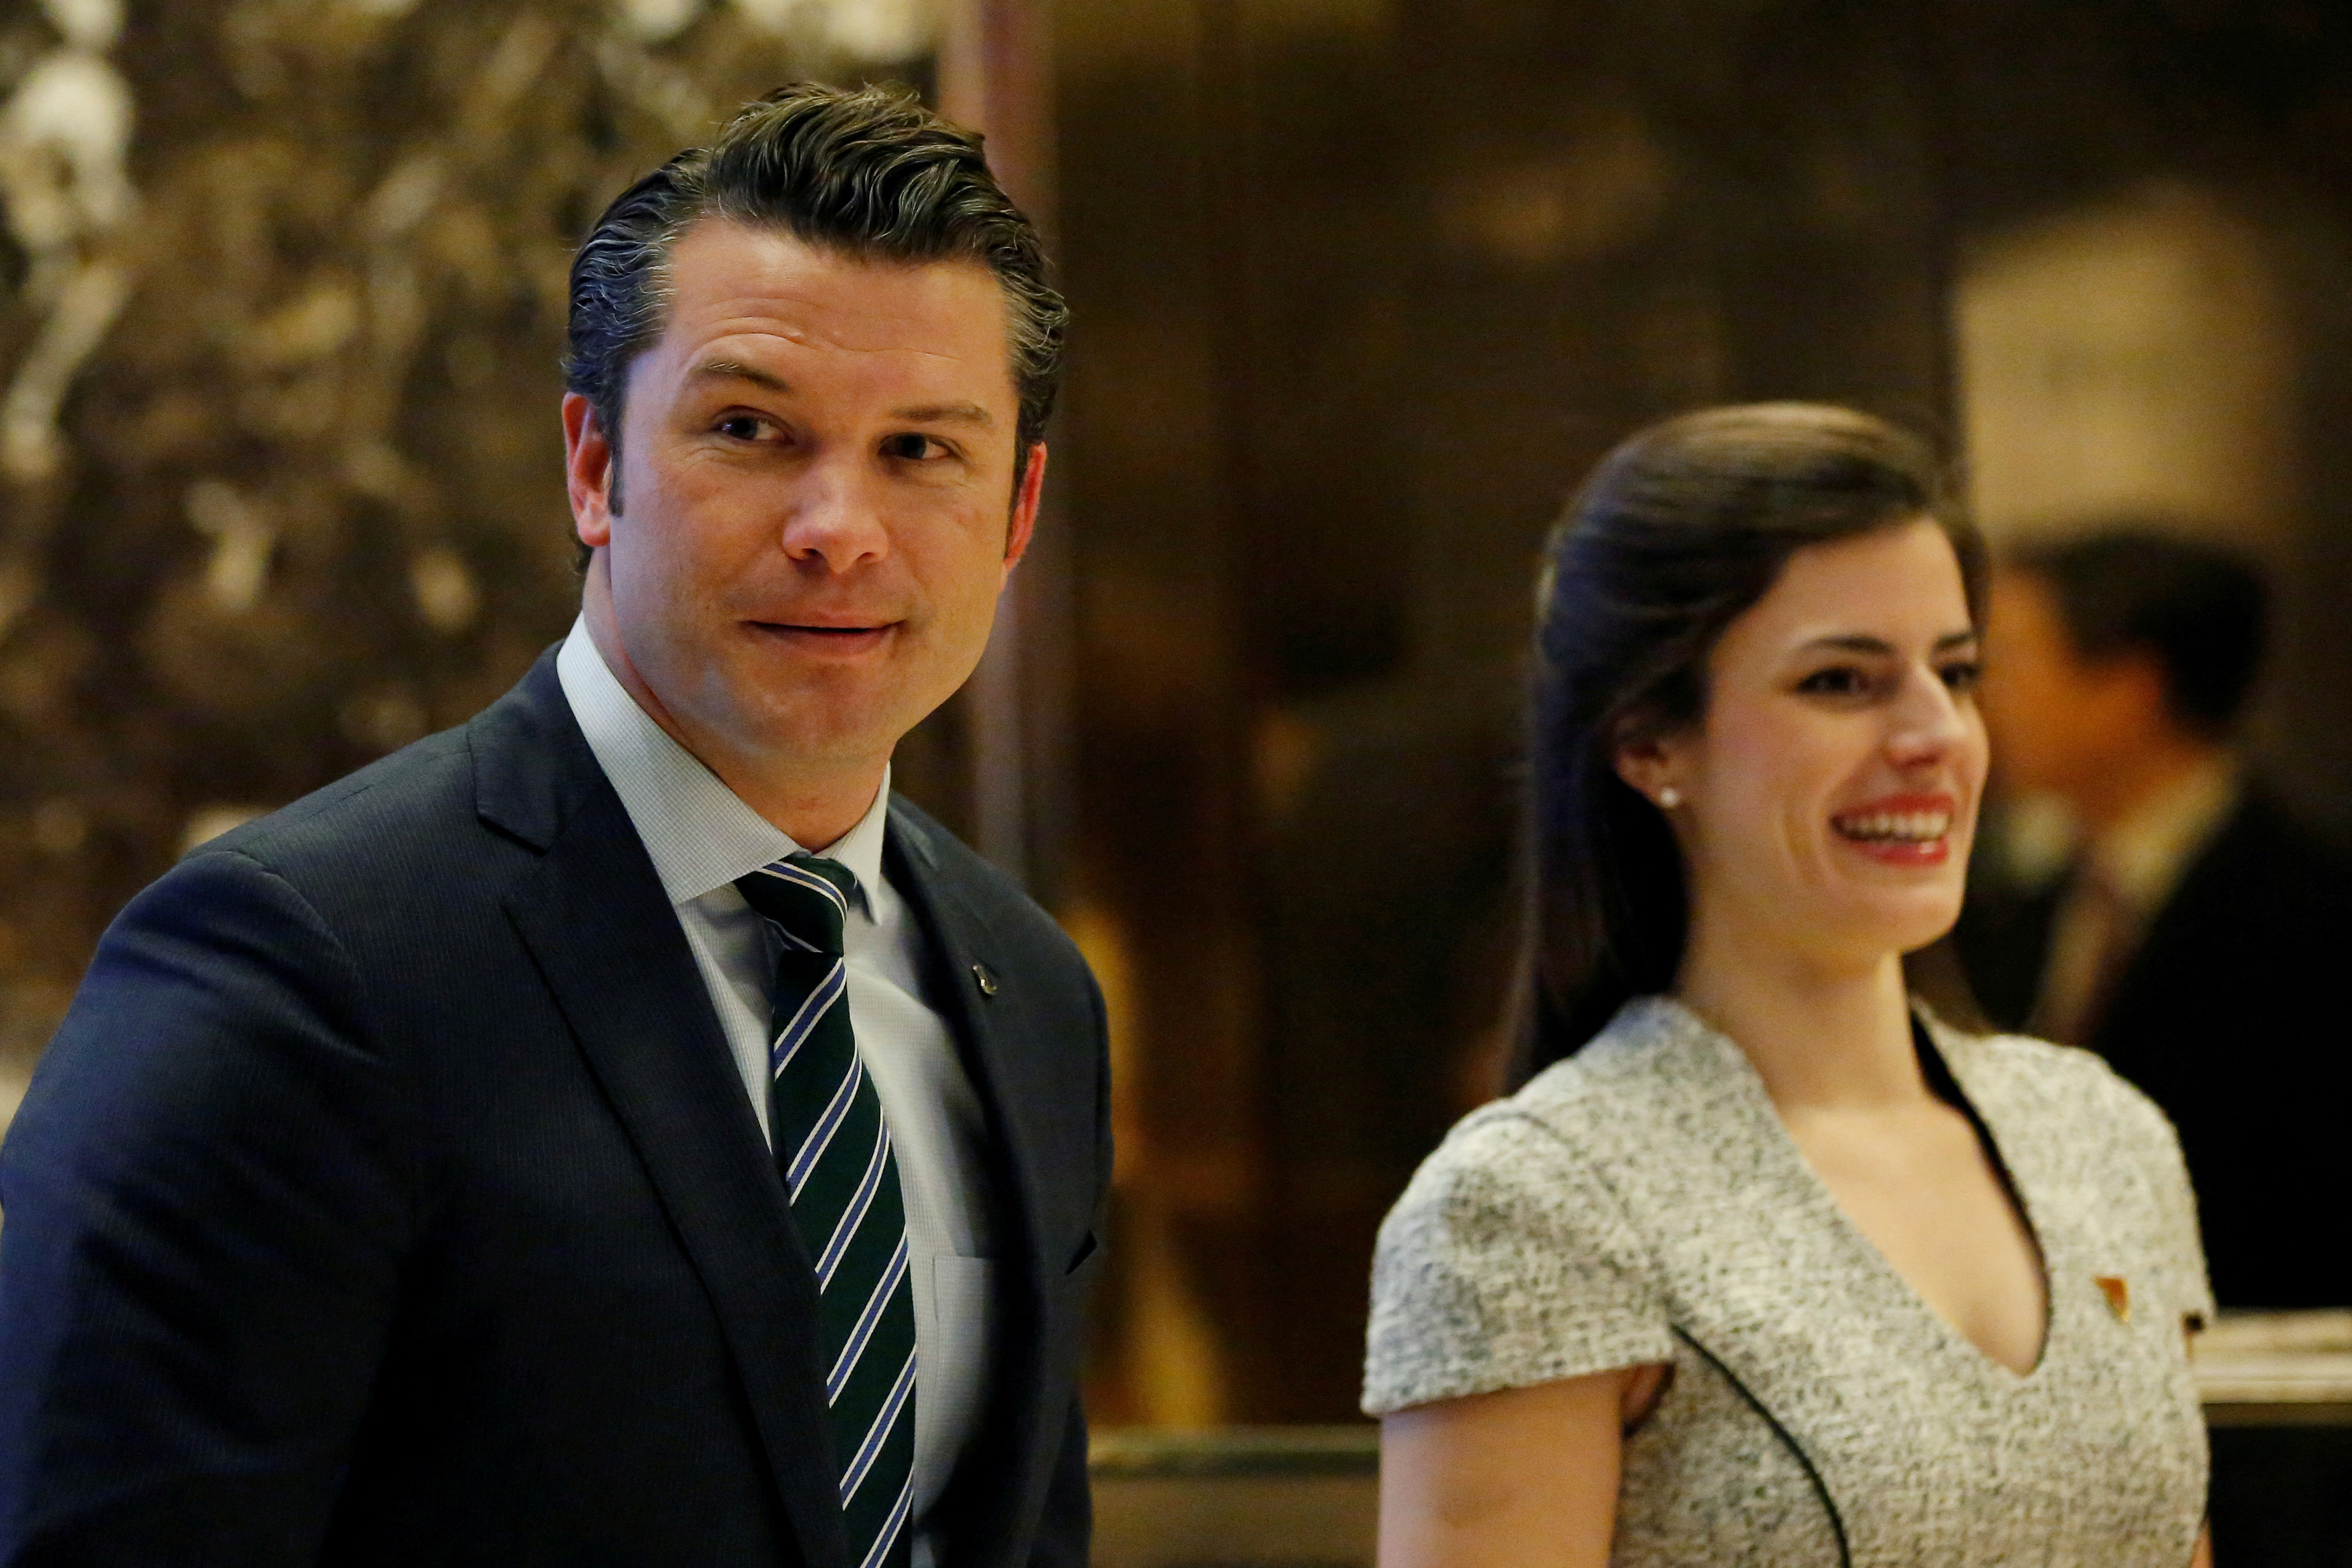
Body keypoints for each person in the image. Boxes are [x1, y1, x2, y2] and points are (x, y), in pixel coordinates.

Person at [0, 84, 1107, 1568]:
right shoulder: (296, 966)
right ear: (593, 465)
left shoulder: (1029, 990)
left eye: (921, 451)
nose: (837, 524)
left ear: (1017, 509)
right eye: (749, 427)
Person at [1364, 405, 2213, 1567]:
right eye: (1839, 680)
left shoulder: (2101, 1136)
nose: (1934, 734)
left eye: (1955, 671)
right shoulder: (1534, 1203)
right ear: (1649, 741)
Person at [1958, 526, 2352, 1309]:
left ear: (2129, 688)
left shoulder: (2315, 914)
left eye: (2011, 662)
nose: (1977, 699)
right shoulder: (2018, 896)